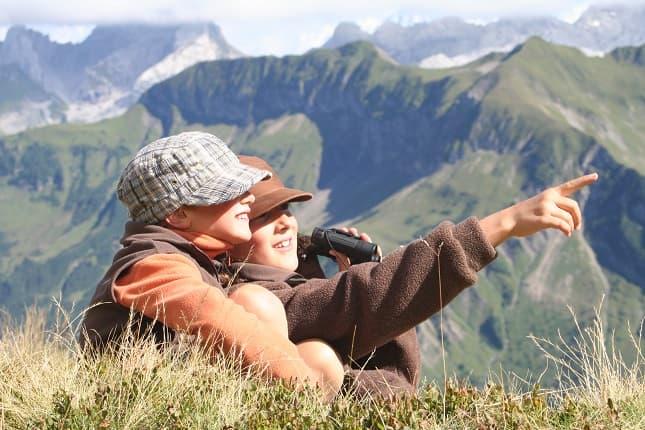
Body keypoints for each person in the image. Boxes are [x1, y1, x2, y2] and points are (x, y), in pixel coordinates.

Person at [226, 155, 598, 397]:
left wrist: (338, 271)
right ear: (228, 239)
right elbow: (371, 301)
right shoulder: (257, 302)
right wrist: (504, 223)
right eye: (261, 217)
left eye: (285, 209)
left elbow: (381, 335)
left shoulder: (298, 282)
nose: (284, 224)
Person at [80, 132, 344, 398]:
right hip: (130, 404)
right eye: (228, 191)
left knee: (316, 354)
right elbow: (217, 320)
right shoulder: (154, 263)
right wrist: (304, 387)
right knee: (254, 303)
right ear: (179, 215)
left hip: (170, 394)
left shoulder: (196, 257)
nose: (249, 199)